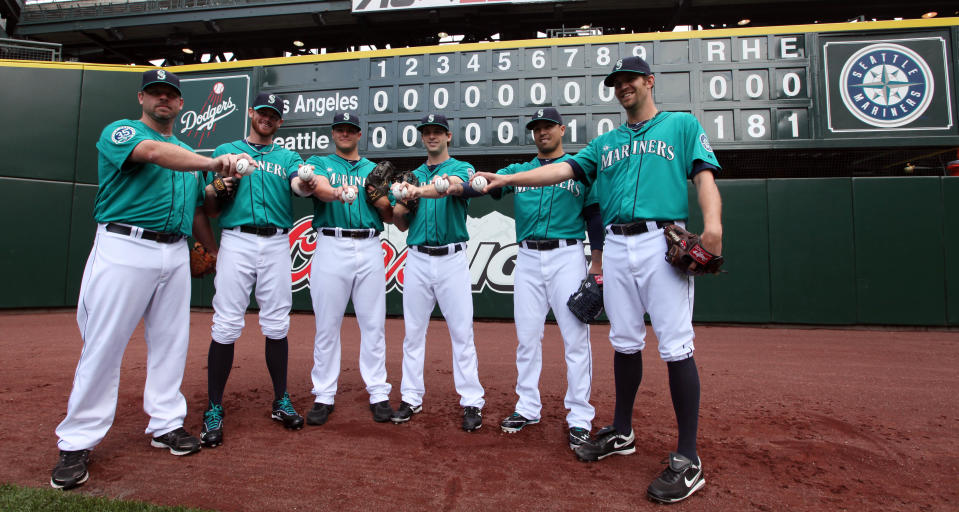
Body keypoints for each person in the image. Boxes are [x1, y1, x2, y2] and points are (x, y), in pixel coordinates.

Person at [476, 56, 723, 504]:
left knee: (675, 345)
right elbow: (559, 170)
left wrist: (714, 225)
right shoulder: (605, 144)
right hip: (618, 244)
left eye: (630, 79)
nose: (623, 86)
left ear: (650, 81)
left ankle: (689, 457)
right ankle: (622, 431)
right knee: (625, 341)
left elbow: (704, 176)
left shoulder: (681, 126)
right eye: (617, 83)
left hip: (660, 240)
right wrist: (508, 177)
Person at [51, 69, 248, 489]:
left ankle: (165, 423)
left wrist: (218, 208)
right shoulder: (121, 132)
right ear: (142, 97)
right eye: (155, 92)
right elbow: (155, 154)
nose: (163, 99)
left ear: (180, 104)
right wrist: (214, 161)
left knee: (171, 343)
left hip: (175, 251)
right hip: (125, 244)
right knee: (104, 343)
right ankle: (76, 440)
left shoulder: (187, 153)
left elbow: (201, 210)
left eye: (170, 94)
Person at [447, 107, 602, 449]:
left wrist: (597, 264)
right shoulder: (518, 170)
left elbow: (594, 215)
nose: (542, 132)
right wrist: (461, 184)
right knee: (527, 338)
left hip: (568, 255)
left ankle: (579, 415)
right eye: (536, 128)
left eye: (548, 126)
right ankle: (528, 406)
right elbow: (483, 186)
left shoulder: (579, 168)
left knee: (576, 340)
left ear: (562, 129)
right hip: (529, 257)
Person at [198, 92, 318, 448]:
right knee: (226, 322)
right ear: (252, 113)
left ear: (280, 122)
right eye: (263, 112)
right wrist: (219, 186)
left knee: (278, 321)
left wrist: (305, 182)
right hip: (237, 239)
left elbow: (297, 182)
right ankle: (214, 407)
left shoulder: (287, 156)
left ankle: (280, 400)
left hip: (277, 242)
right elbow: (210, 198)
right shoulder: (229, 149)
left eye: (274, 115)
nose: (267, 119)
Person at [390, 113, 485, 432]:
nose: (432, 136)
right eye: (427, 132)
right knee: (413, 333)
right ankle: (410, 397)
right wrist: (401, 204)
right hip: (416, 257)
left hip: (451, 259)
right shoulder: (411, 175)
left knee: (462, 332)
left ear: (448, 136)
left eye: (437, 132)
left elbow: (459, 187)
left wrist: (414, 192)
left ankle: (472, 400)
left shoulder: (460, 168)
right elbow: (401, 223)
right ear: (422, 137)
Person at [301, 112, 395, 426]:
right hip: (331, 243)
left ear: (359, 134)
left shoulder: (372, 169)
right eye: (340, 128)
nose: (345, 133)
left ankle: (378, 392)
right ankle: (323, 394)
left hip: (369, 245)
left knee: (373, 325)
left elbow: (391, 216)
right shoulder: (319, 163)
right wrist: (339, 192)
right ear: (333, 133)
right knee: (327, 325)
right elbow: (319, 188)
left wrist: (382, 199)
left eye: (350, 129)